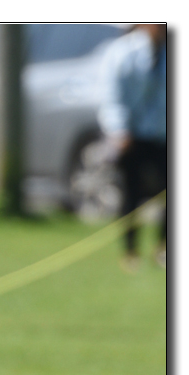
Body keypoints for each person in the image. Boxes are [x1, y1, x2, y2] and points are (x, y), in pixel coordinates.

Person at [98, 24, 167, 270]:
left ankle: (164, 248)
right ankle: (130, 251)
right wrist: (119, 131)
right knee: (132, 194)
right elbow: (112, 97)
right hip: (132, 136)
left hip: (164, 135)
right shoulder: (122, 52)